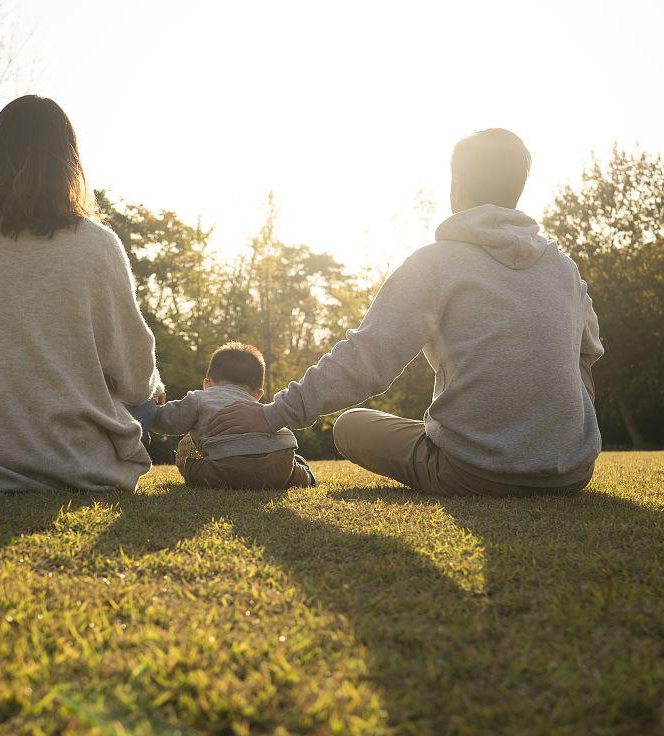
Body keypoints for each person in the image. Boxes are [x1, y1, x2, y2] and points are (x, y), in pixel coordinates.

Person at [208, 128, 604, 497]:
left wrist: (274, 414)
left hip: (471, 472)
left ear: (456, 187)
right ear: (517, 189)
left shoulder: (436, 263)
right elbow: (587, 354)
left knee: (350, 426)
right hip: (570, 472)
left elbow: (368, 358)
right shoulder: (563, 267)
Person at [0, 95, 164, 491]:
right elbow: (135, 378)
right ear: (68, 158)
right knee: (150, 393)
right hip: (78, 462)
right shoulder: (99, 243)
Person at [152, 343, 316, 489]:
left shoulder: (199, 398)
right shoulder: (258, 408)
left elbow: (169, 421)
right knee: (292, 472)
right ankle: (307, 476)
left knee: (193, 469)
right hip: (280, 458)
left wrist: (156, 410)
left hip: (229, 466)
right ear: (257, 393)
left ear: (206, 384)